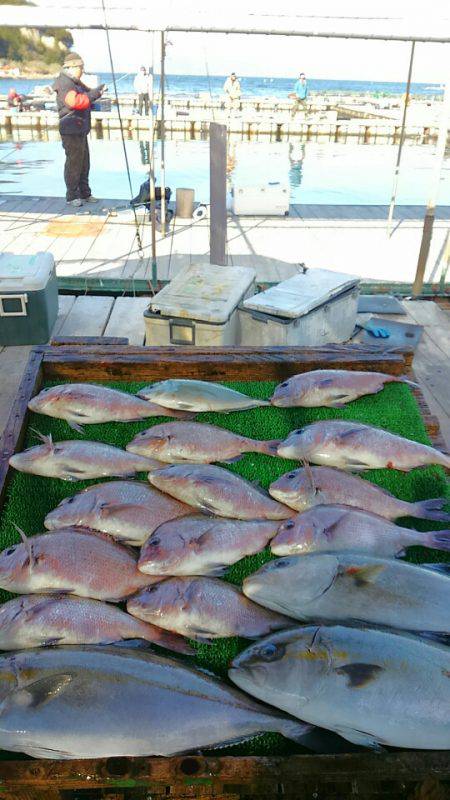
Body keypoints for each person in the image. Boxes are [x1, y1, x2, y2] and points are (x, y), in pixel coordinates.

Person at [53, 52, 105, 207]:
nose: (82, 70)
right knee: (74, 163)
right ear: (73, 67)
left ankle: (84, 193)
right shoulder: (65, 83)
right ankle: (72, 196)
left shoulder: (74, 82)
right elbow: (75, 102)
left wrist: (97, 91)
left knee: (84, 163)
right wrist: (95, 94)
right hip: (71, 129)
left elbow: (87, 95)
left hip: (80, 129)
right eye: (81, 67)